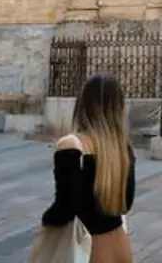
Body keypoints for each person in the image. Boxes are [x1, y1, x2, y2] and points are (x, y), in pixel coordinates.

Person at [41, 73, 137, 263]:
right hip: (121, 247)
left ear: (82, 104)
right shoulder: (122, 148)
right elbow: (126, 202)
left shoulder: (71, 145)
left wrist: (46, 222)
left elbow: (65, 208)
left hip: (90, 249)